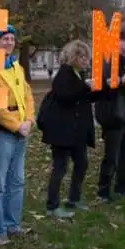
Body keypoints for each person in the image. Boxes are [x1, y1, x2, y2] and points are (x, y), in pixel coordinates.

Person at [0, 25, 35, 245]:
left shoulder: (17, 67)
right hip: (1, 132)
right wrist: (16, 125)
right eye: (4, 39)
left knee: (18, 181)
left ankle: (13, 224)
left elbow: (28, 96)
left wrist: (29, 120)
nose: (10, 42)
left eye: (12, 39)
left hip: (21, 130)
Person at [38, 40, 96, 217]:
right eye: (82, 57)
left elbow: (83, 98)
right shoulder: (64, 74)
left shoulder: (78, 75)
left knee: (82, 163)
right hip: (62, 131)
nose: (86, 60)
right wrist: (85, 87)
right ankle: (52, 206)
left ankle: (74, 198)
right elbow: (66, 96)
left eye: (87, 57)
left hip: (76, 130)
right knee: (60, 167)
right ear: (73, 57)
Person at [93, 36, 125, 202]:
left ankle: (122, 186)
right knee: (112, 155)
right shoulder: (108, 62)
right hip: (114, 115)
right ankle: (103, 190)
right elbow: (104, 85)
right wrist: (122, 80)